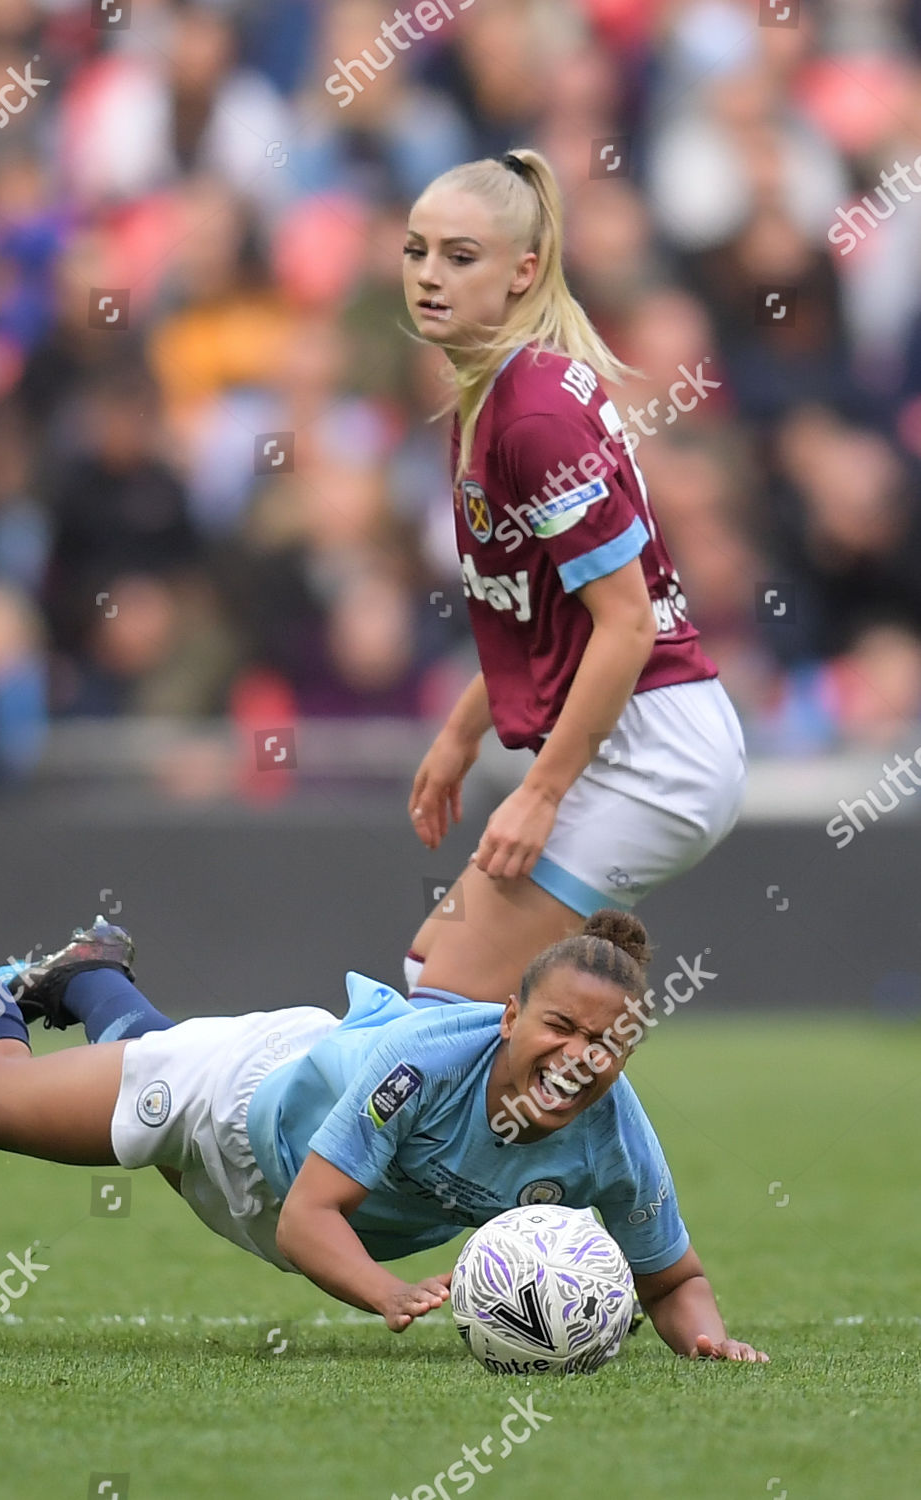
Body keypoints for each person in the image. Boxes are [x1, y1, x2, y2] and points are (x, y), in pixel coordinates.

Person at [0, 841, 766, 1362]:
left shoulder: (614, 1141)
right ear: (509, 1016)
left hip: (265, 1174)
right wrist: (391, 1294)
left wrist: (704, 1334)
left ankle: (89, 975)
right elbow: (308, 1218)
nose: (580, 1057)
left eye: (607, 1044)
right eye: (562, 1027)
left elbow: (673, 1280)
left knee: (137, 1105)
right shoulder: (424, 1061)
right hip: (234, 1098)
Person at [401, 150, 747, 1004]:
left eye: (459, 255)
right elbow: (534, 613)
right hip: (631, 734)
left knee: (444, 992)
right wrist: (460, 733)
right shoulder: (491, 393)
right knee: (437, 977)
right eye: (415, 251)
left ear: (523, 272)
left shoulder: (535, 415)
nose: (428, 276)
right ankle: (565, 1132)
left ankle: (591, 1143)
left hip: (655, 752)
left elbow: (625, 624)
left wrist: (538, 796)